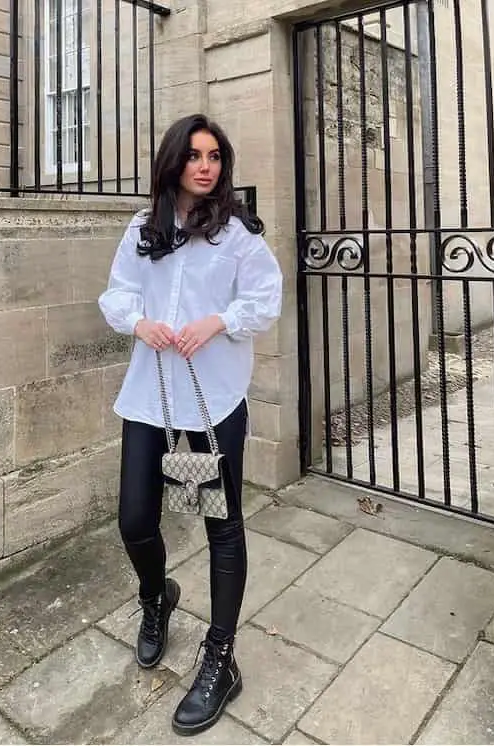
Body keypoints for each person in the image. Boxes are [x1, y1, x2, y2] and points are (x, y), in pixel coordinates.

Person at [98, 113, 282, 736]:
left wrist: (219, 321)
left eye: (216, 157)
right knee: (134, 519)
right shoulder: (142, 230)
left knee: (221, 525)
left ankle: (221, 658)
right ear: (174, 160)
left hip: (212, 399)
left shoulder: (235, 234)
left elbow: (265, 297)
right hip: (150, 395)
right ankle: (158, 597)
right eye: (196, 155)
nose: (206, 166)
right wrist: (137, 322)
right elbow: (118, 294)